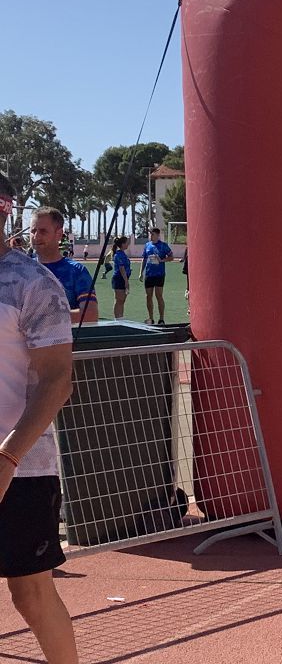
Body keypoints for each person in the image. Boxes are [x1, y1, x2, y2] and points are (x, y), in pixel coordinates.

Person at [0, 174, 80, 663]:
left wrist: (8, 457)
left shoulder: (32, 283)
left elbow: (56, 381)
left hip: (21, 467)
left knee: (30, 593)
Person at [30, 206, 98, 324]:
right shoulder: (21, 269)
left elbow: (90, 315)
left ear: (59, 234)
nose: (36, 236)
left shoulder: (76, 271)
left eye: (43, 231)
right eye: (33, 231)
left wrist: (45, 318)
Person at [141, 228, 174, 325]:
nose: (151, 236)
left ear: (157, 235)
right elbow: (144, 259)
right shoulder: (147, 245)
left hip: (159, 274)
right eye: (150, 234)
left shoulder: (163, 246)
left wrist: (162, 260)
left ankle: (161, 319)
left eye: (152, 234)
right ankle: (151, 318)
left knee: (159, 296)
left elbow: (171, 257)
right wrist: (141, 272)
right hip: (149, 274)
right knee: (148, 296)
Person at [111, 236, 132, 319]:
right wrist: (126, 282)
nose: (128, 244)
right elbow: (121, 268)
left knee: (122, 300)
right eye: (127, 242)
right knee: (119, 300)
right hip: (119, 279)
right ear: (123, 244)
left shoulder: (123, 254)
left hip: (124, 278)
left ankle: (121, 317)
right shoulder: (118, 255)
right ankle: (117, 318)